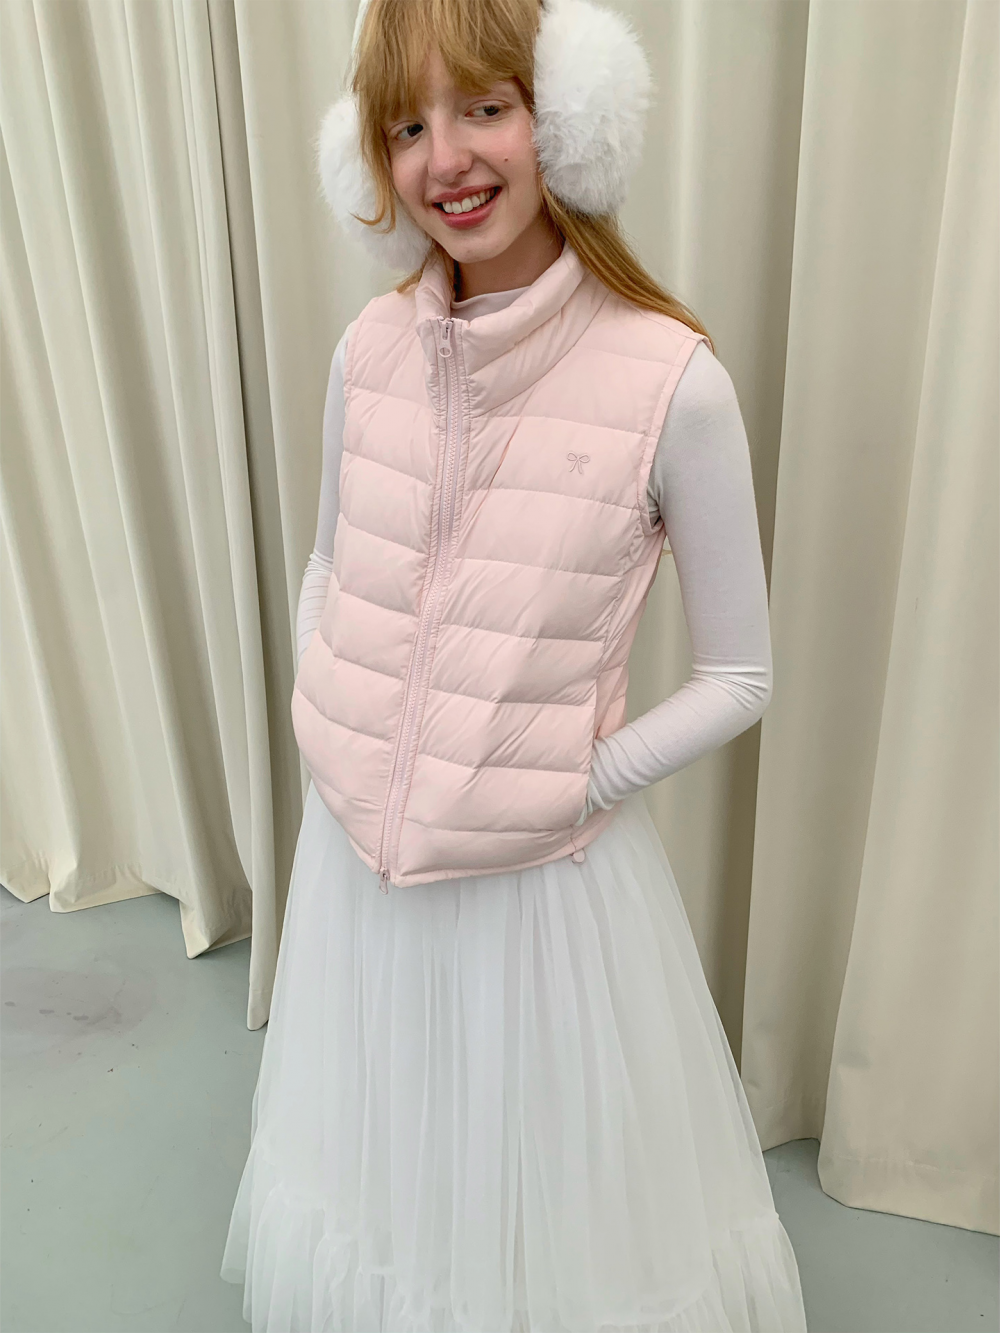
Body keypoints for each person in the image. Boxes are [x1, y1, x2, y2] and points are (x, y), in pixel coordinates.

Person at [221, 0, 809, 1329]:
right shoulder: (370, 349)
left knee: (540, 1206)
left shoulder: (671, 383)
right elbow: (328, 563)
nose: (445, 161)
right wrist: (335, 717)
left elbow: (741, 677)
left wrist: (568, 780)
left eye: (485, 108)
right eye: (405, 127)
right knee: (391, 1178)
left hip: (537, 897)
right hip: (360, 873)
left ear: (566, 120)